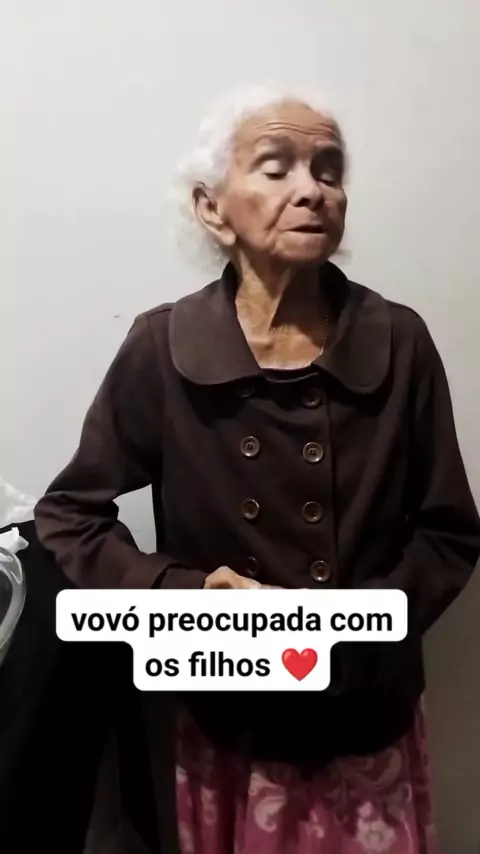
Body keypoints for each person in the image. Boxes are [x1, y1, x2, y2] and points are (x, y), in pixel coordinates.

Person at [34, 84, 480, 853]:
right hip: (226, 722)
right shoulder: (163, 345)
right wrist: (183, 595)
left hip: (365, 716)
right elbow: (69, 515)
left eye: (329, 170)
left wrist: (359, 627)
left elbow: (449, 533)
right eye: (276, 168)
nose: (312, 190)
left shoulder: (398, 341)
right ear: (213, 209)